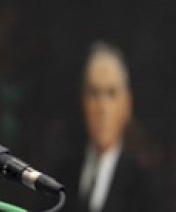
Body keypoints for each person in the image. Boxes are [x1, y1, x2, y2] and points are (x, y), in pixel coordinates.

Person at [59, 42, 160, 212]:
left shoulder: (144, 185)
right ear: (82, 101)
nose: (102, 108)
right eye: (94, 93)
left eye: (111, 93)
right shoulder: (61, 177)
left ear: (126, 104)